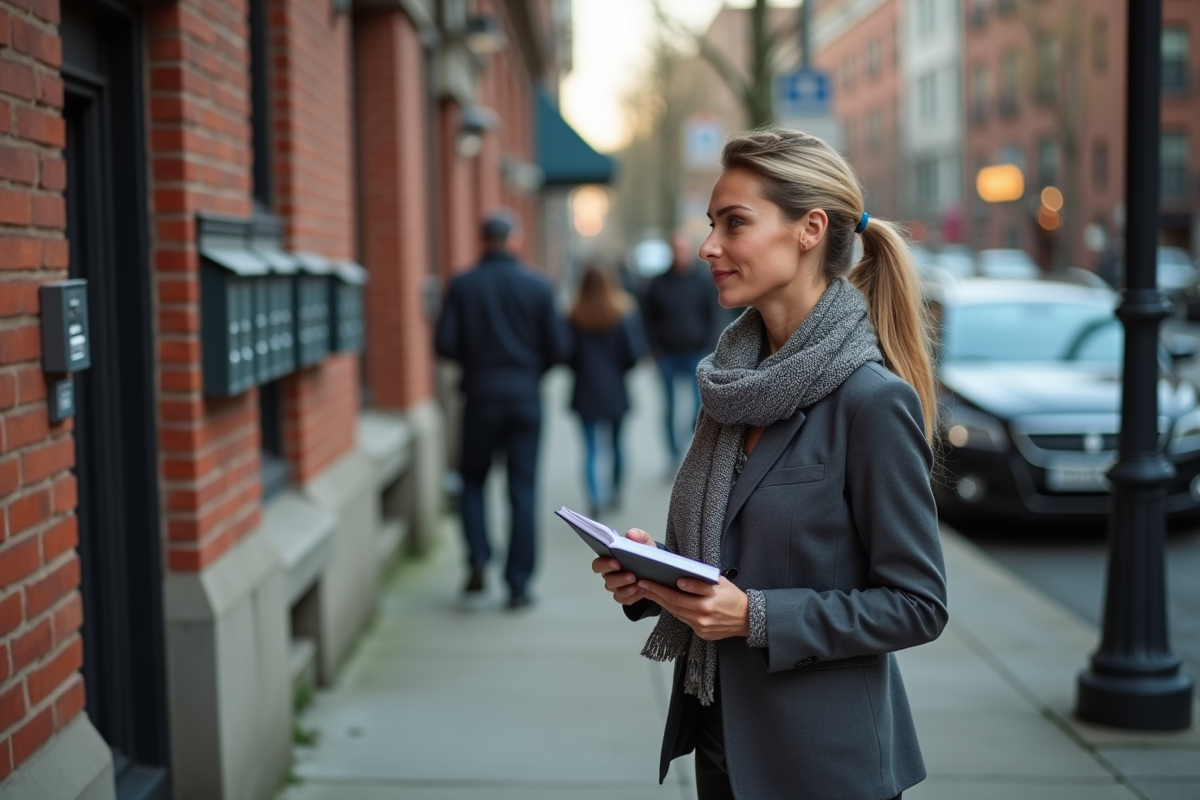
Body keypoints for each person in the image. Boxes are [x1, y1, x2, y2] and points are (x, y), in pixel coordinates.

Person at [592, 129, 948, 799]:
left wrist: (756, 616)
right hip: (722, 748)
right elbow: (732, 559)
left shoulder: (871, 402)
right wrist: (654, 576)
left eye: (734, 223)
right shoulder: (733, 387)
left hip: (825, 768)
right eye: (711, 224)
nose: (709, 246)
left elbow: (918, 605)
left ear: (809, 229)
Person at [434, 209, 569, 609]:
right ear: (515, 240)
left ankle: (478, 556)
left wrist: (476, 362)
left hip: (479, 398)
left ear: (482, 240)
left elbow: (444, 344)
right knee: (522, 490)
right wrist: (530, 372)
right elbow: (559, 348)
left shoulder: (463, 284)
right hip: (525, 398)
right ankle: (518, 583)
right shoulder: (537, 285)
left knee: (472, 481)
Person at [565, 262, 647, 518]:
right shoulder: (623, 313)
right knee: (617, 444)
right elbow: (634, 354)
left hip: (585, 389)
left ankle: (595, 499)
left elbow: (565, 353)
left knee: (590, 448)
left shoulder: (573, 315)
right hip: (615, 390)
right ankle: (615, 492)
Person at [642, 229, 719, 469]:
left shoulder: (702, 281)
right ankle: (673, 455)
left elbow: (713, 314)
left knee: (700, 407)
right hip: (666, 355)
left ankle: (696, 452)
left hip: (696, 352)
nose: (680, 254)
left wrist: (710, 345)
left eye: (683, 249)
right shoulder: (658, 284)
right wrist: (652, 348)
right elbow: (646, 318)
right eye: (676, 249)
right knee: (669, 407)